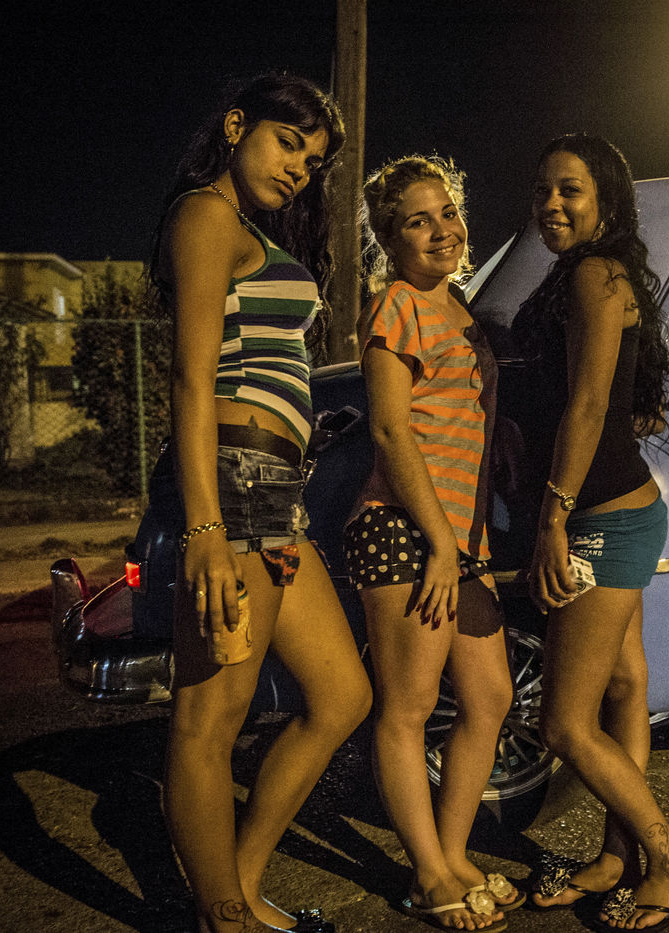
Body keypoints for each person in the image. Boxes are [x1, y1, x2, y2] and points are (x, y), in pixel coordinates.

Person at [149, 73, 372, 933]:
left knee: (342, 694)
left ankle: (237, 887)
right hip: (234, 486)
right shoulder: (205, 216)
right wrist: (205, 528)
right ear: (237, 125)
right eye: (288, 143)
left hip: (275, 492)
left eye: (312, 162)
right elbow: (190, 378)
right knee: (208, 721)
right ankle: (224, 917)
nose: (298, 170)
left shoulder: (247, 229)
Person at [513, 133, 669, 932]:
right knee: (624, 687)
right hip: (619, 509)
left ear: (606, 202)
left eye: (571, 190)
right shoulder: (594, 273)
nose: (551, 204)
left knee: (564, 721)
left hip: (600, 517)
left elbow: (589, 404)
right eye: (543, 190)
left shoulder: (596, 274)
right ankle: (617, 859)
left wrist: (552, 519)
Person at [347, 155, 519, 932]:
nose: (441, 229)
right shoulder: (396, 305)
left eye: (446, 212)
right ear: (391, 239)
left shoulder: (459, 308)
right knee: (409, 706)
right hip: (405, 530)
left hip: (460, 540)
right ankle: (427, 873)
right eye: (418, 221)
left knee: (490, 698)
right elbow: (390, 430)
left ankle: (451, 854)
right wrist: (442, 545)